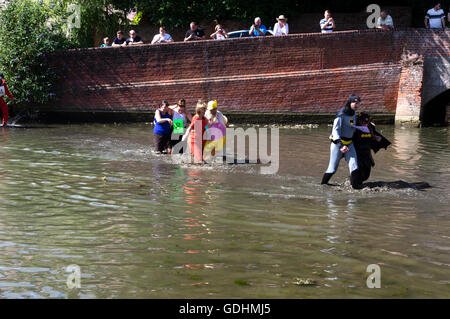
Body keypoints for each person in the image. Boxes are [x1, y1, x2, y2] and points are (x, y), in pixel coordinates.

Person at [321, 94, 362, 189]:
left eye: (358, 103)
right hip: (338, 145)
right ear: (349, 102)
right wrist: (341, 145)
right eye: (354, 102)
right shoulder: (341, 114)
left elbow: (353, 127)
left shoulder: (354, 113)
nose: (356, 105)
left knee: (354, 166)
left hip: (349, 144)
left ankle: (355, 189)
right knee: (332, 169)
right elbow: (335, 131)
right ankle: (322, 186)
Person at [352, 112, 390, 183]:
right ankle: (354, 184)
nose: (365, 123)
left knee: (366, 175)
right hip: (357, 153)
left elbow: (371, 136)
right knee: (359, 171)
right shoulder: (355, 128)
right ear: (359, 120)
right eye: (363, 121)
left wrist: (375, 137)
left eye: (367, 121)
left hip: (367, 153)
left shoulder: (370, 127)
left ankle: (357, 182)